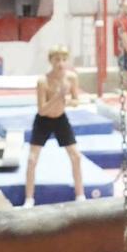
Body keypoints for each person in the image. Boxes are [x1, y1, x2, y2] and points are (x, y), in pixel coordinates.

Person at [24, 44, 85, 208]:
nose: (61, 63)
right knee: (31, 159)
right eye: (57, 59)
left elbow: (76, 100)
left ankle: (80, 194)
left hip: (60, 118)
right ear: (51, 61)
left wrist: (67, 100)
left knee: (76, 156)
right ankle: (29, 198)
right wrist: (59, 95)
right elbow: (42, 110)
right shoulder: (43, 81)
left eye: (64, 59)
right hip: (44, 120)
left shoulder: (71, 78)